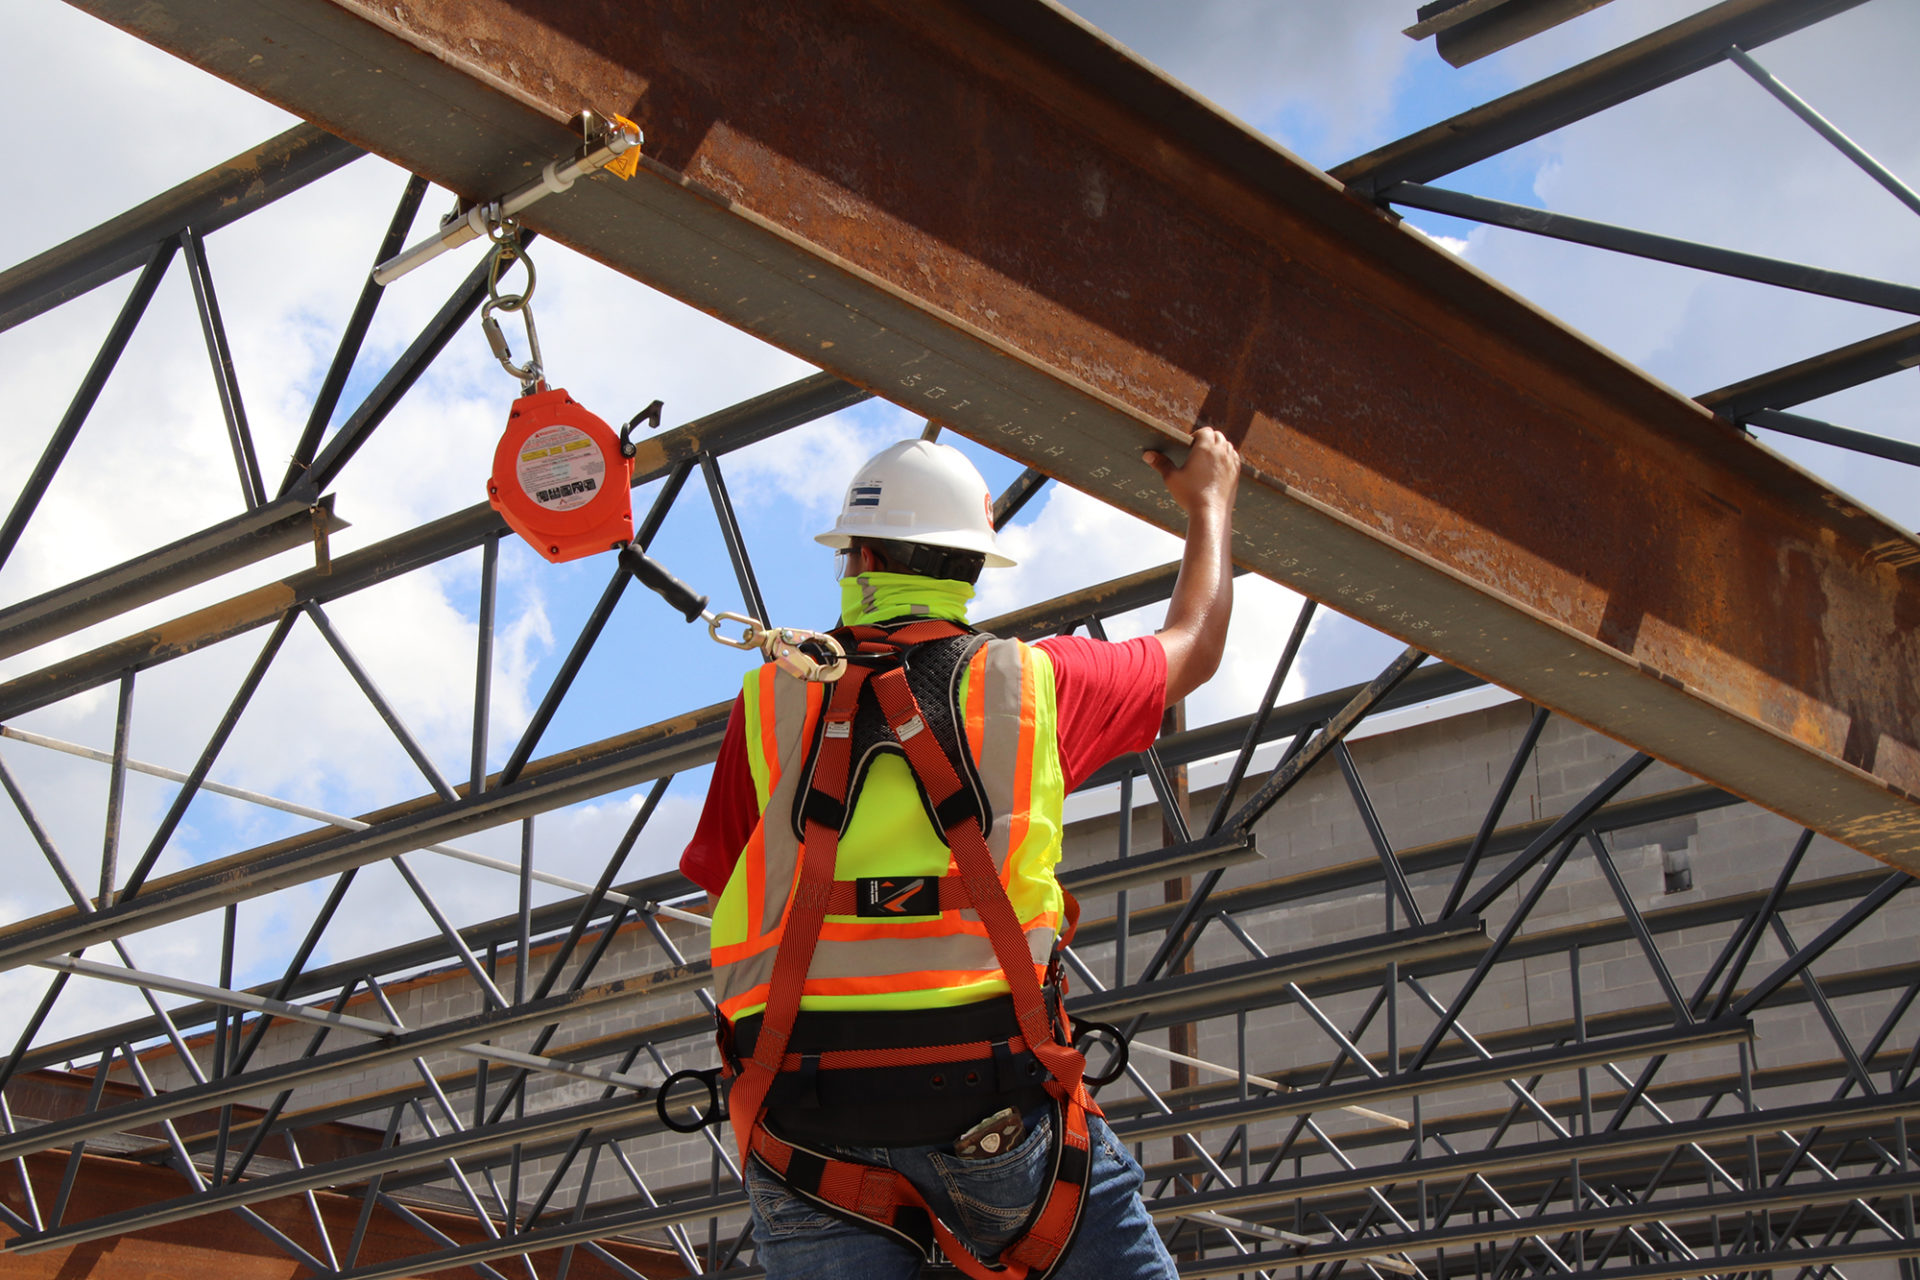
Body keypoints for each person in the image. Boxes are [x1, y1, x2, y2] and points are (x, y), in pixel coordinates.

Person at [678, 427, 1240, 1279]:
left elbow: (730, 879)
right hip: (994, 1103)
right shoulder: (1034, 687)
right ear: (973, 570)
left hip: (802, 1119)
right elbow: (1192, 646)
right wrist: (1209, 503)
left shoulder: (767, 705)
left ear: (856, 557)